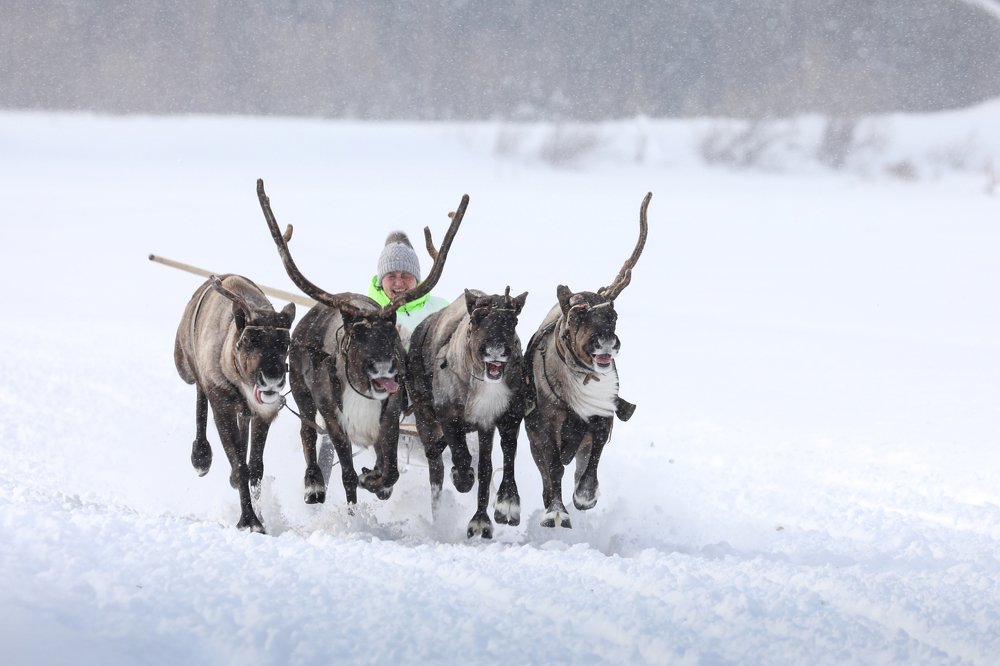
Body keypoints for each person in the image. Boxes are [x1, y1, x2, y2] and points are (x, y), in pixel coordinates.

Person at [367, 231, 449, 342]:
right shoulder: (366, 314)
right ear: (381, 281)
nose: (399, 283)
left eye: (406, 275)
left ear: (416, 279)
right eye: (391, 276)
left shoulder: (442, 308)